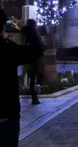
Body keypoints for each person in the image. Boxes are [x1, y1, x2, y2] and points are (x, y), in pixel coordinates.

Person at [0, 8, 44, 147]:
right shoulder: (6, 48)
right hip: (6, 112)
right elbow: (36, 50)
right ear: (2, 28)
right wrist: (25, 28)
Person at [21, 19, 45, 105]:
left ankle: (34, 97)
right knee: (34, 78)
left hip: (29, 59)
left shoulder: (26, 34)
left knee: (32, 78)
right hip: (34, 59)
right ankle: (34, 98)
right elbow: (38, 47)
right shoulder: (33, 34)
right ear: (33, 25)